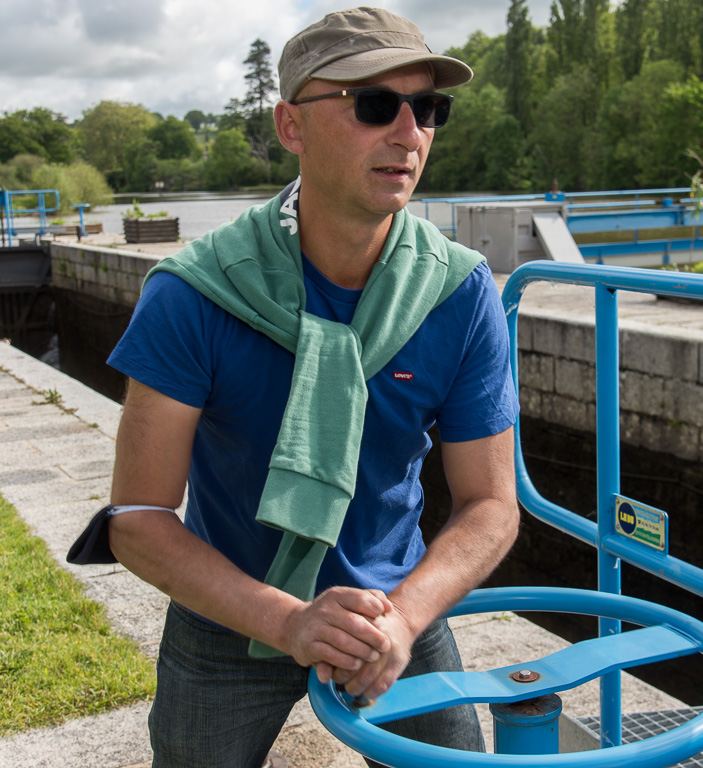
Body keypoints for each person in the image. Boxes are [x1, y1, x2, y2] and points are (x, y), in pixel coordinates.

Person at [102, 7, 519, 767]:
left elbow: (490, 505)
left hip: (393, 606)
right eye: (372, 105)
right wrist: (288, 622)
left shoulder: (457, 292)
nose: (407, 132)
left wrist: (403, 619)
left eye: (426, 108)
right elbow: (137, 516)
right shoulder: (196, 293)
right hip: (229, 608)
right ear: (290, 126)